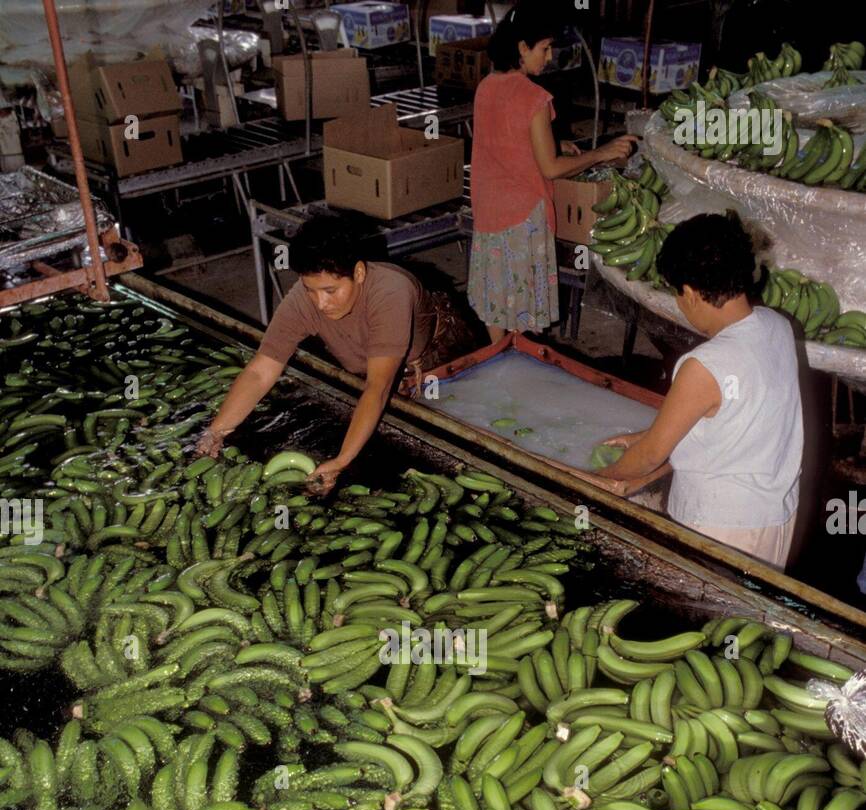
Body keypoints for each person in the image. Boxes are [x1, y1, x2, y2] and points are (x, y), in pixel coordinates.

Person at [195, 212, 471, 495]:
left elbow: (377, 387)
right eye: (311, 290)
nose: (321, 303)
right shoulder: (304, 300)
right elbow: (260, 370)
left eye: (330, 290)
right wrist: (216, 431)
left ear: (359, 273)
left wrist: (341, 461)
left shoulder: (390, 294)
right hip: (369, 362)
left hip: (434, 358)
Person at [598, 213, 803, 570]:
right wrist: (649, 433)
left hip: (719, 531)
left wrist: (594, 479)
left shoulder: (705, 365)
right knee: (752, 619)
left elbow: (649, 458)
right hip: (774, 519)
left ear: (691, 294)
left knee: (709, 621)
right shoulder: (777, 326)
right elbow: (745, 415)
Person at [468, 4, 634, 343]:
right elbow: (551, 168)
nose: (548, 57)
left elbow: (506, 141)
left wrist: (557, 145)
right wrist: (600, 153)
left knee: (497, 294)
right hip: (523, 216)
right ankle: (521, 359)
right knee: (523, 303)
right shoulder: (535, 98)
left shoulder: (486, 86)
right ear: (522, 48)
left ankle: (498, 353)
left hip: (487, 209)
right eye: (543, 49)